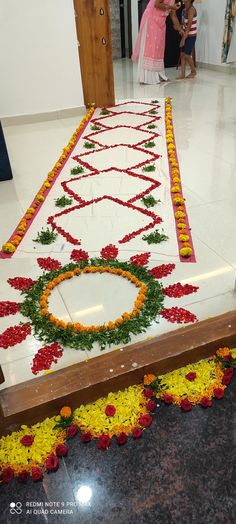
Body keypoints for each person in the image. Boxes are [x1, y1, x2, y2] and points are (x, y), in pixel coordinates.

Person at [132, 0, 182, 84]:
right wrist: (171, 7)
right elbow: (157, 4)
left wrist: (180, 30)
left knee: (159, 48)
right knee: (151, 48)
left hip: (161, 23)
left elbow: (173, 16)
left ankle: (158, 74)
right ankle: (147, 77)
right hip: (151, 19)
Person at [178, 0, 197, 79]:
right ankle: (183, 75)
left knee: (186, 54)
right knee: (182, 55)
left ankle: (193, 71)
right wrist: (181, 30)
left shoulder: (191, 9)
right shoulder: (184, 10)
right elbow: (184, 24)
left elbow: (189, 26)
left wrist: (183, 39)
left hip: (191, 36)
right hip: (185, 35)